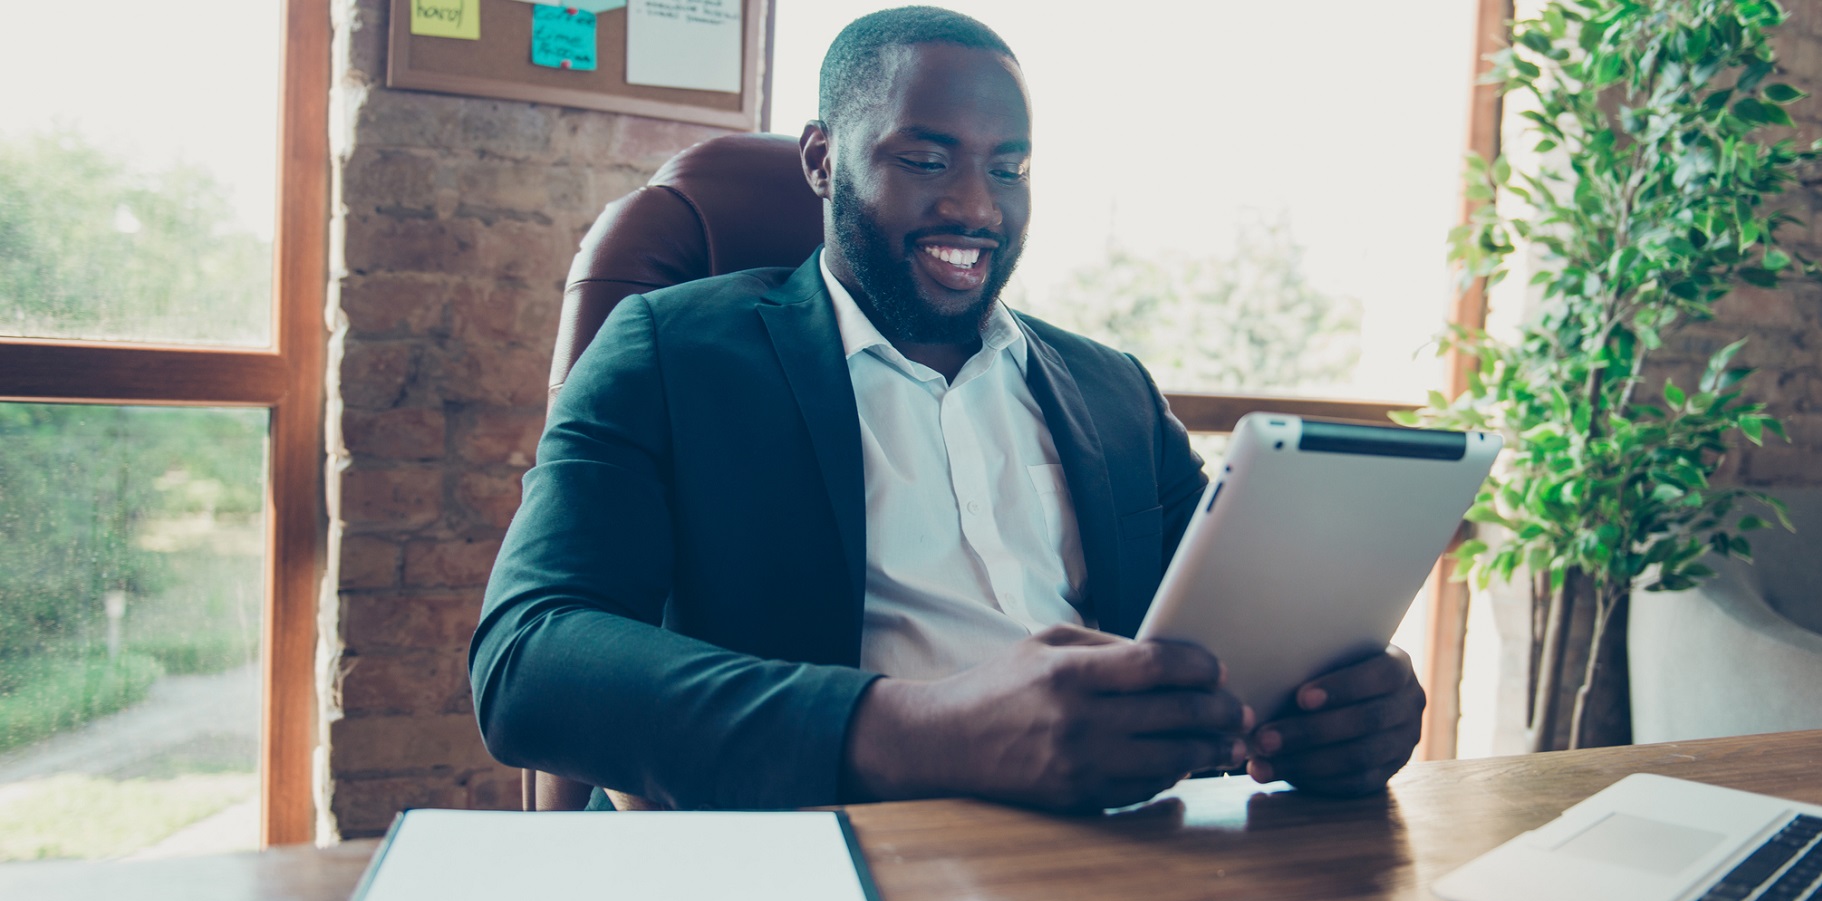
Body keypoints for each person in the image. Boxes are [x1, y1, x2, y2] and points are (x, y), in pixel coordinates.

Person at [469, 6, 1425, 813]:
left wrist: (1339, 706)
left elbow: (1221, 639)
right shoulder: (669, 350)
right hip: (819, 865)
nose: (977, 206)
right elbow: (528, 660)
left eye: (1008, 169)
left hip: (1122, 876)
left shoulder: (1112, 390)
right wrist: (915, 730)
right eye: (926, 159)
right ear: (820, 160)